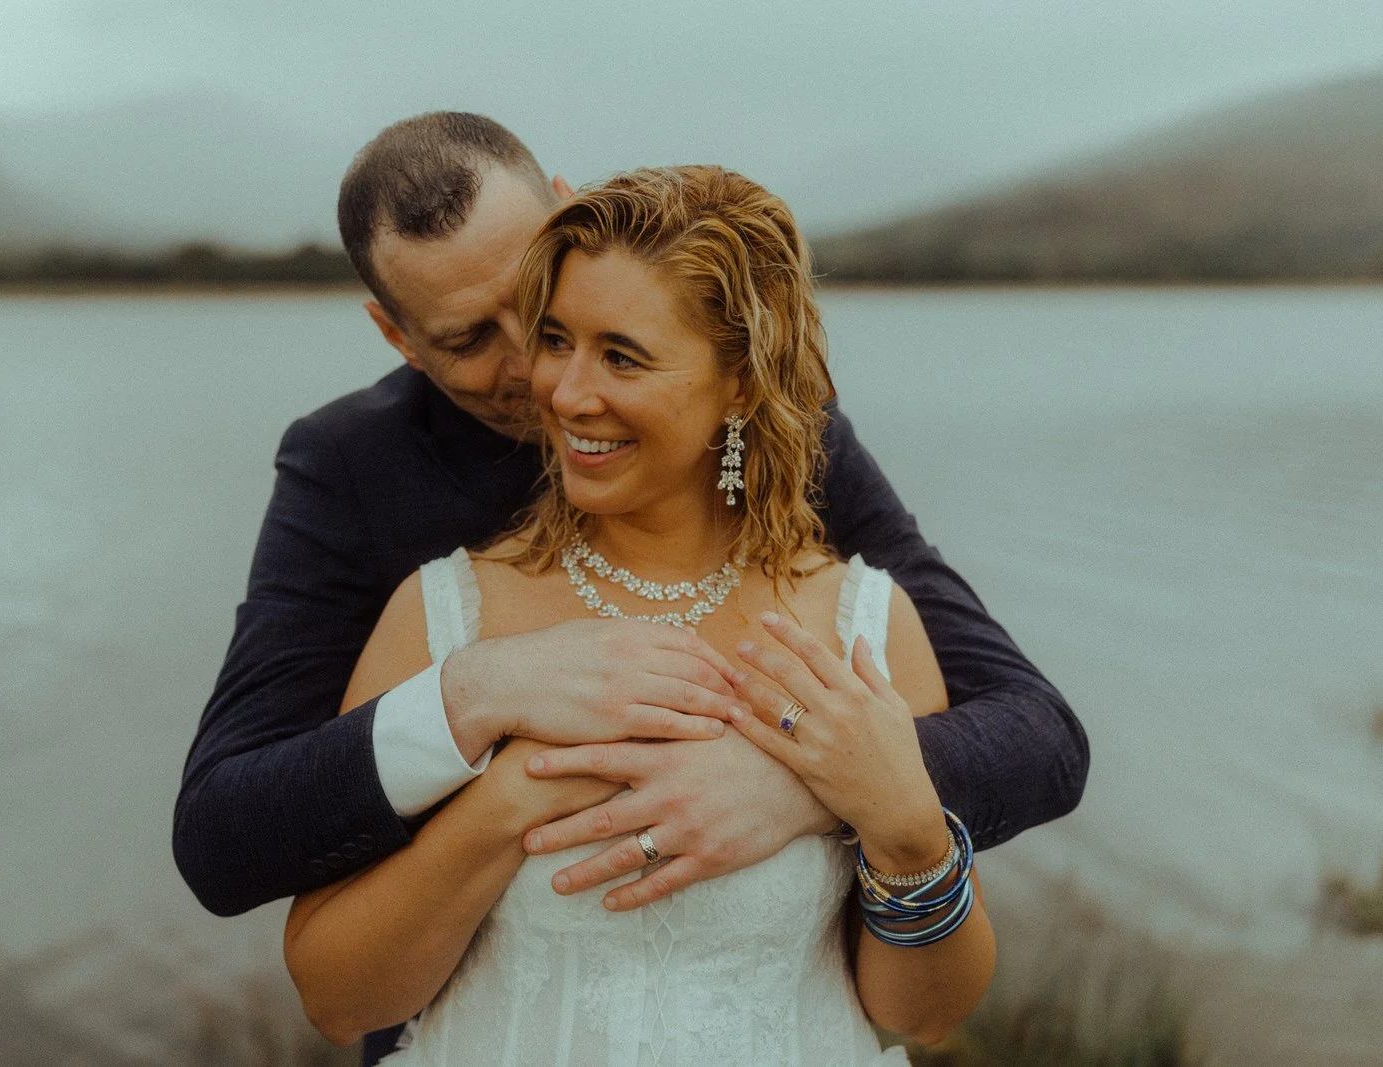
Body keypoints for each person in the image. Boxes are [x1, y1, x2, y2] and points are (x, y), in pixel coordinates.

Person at [172, 113, 1086, 1063]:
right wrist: (479, 704)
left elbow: (1036, 734)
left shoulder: (805, 482)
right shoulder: (357, 480)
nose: (544, 379)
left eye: (544, 303)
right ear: (396, 335)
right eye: (474, 337)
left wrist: (826, 787)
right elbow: (225, 837)